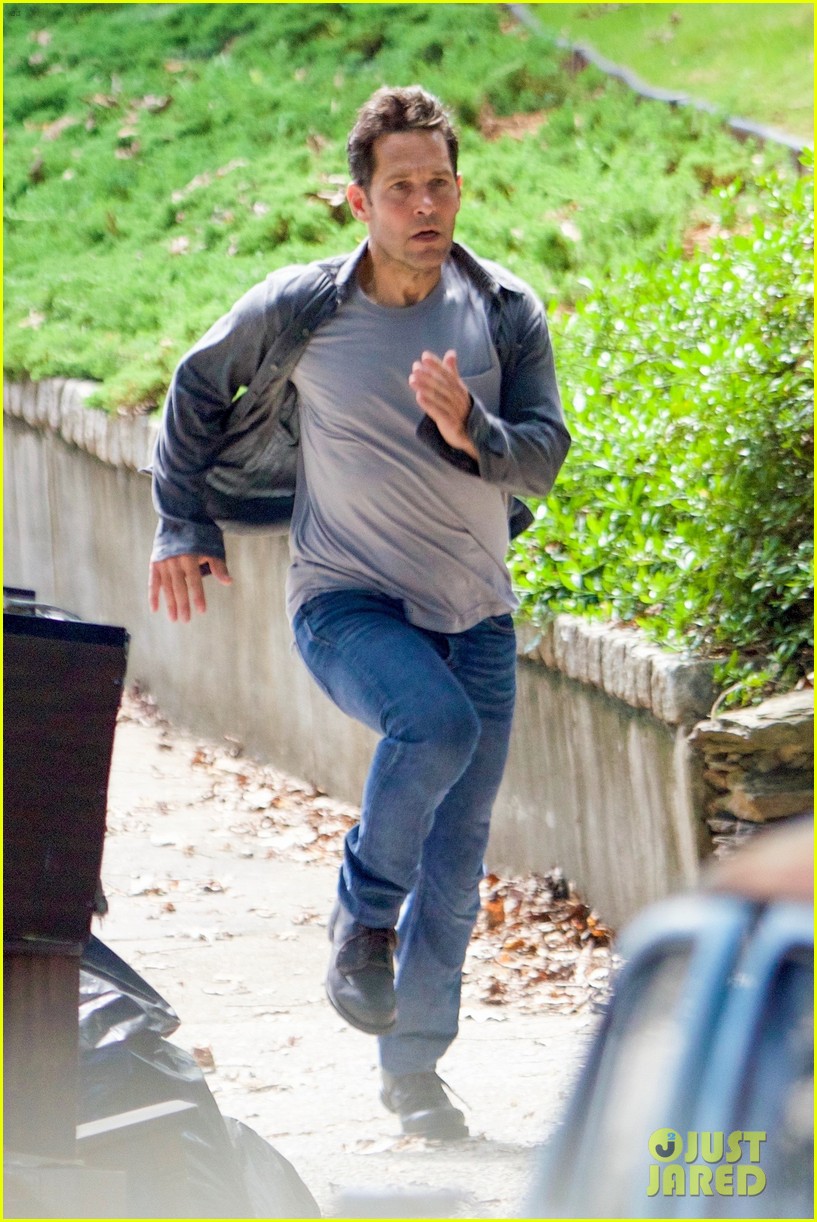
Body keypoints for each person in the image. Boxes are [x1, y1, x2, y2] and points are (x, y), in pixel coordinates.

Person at [149, 85, 570, 1140]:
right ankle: (362, 914)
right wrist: (181, 524)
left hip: (475, 610)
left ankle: (413, 1073)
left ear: (459, 189)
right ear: (359, 201)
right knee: (433, 725)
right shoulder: (305, 309)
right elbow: (196, 387)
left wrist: (474, 430)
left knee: (457, 862)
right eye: (401, 187)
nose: (424, 205)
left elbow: (542, 458)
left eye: (439, 184)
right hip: (345, 599)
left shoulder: (502, 309)